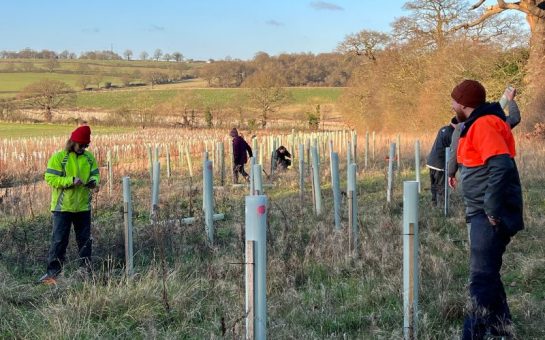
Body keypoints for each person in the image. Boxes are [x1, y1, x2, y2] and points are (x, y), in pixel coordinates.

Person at [450, 79, 523, 339]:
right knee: (488, 273)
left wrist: (491, 209)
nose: (452, 104)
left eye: (454, 100)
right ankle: (502, 328)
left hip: (489, 213)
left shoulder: (483, 125)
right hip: (480, 210)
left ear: (464, 104)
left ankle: (473, 334)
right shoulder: (475, 123)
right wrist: (453, 170)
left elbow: (501, 166)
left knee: (480, 277)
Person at [37, 125, 100, 285]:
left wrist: (94, 183)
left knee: (85, 241)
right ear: (73, 142)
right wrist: (70, 181)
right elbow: (50, 178)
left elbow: (95, 174)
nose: (84, 148)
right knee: (59, 241)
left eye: (86, 145)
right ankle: (52, 275)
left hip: (83, 207)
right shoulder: (59, 158)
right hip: (62, 208)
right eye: (81, 145)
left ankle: (86, 272)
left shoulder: (89, 158)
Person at [448, 86, 521, 189]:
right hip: (499, 185)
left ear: (464, 107)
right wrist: (511, 100)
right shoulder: (497, 122)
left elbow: (454, 152)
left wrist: (451, 173)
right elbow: (515, 118)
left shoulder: (460, 128)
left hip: (476, 186)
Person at [426, 117, 457, 206]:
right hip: (440, 164)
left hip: (431, 162)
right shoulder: (452, 133)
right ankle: (442, 206)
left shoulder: (443, 129)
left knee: (434, 184)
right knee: (441, 186)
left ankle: (434, 202)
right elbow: (453, 151)